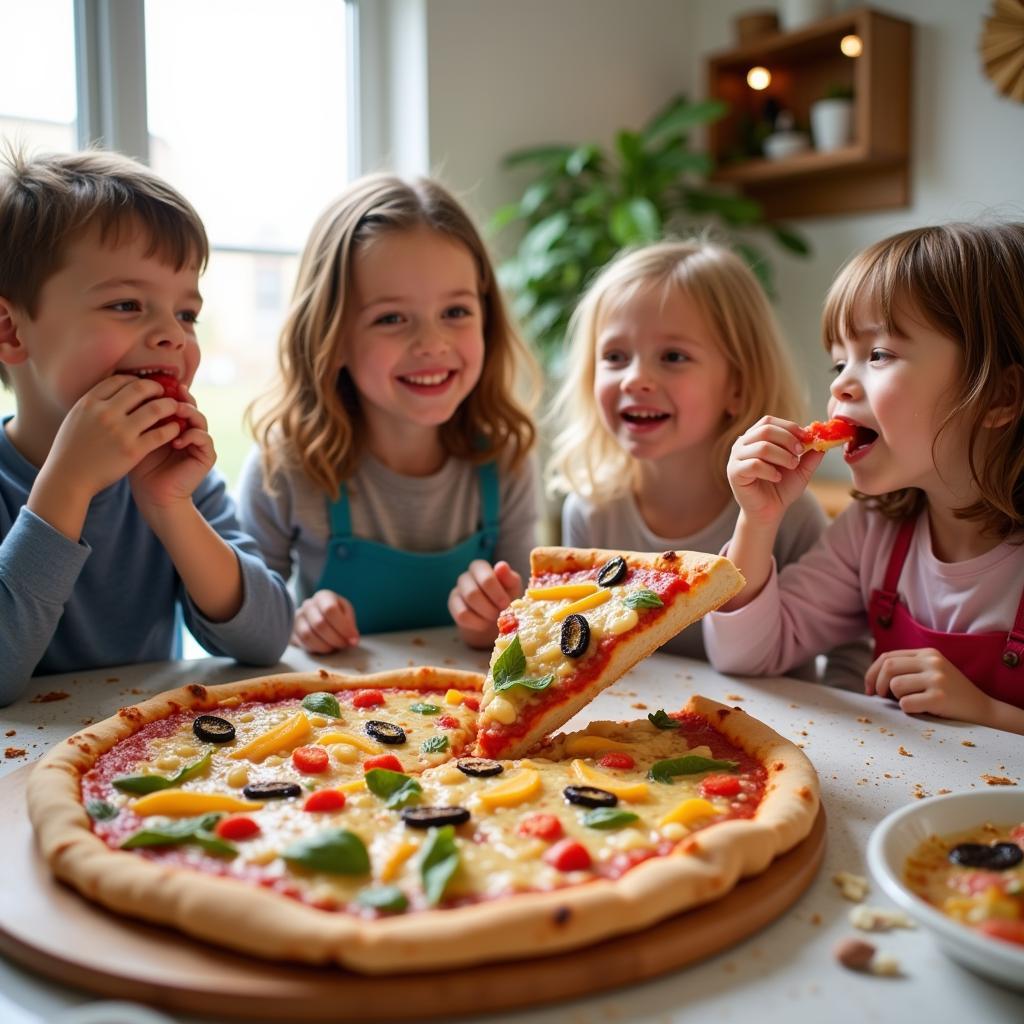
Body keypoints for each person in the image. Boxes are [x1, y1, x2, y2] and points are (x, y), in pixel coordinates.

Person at [705, 222, 1024, 735]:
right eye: (838, 364)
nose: (842, 387)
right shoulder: (873, 530)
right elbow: (747, 656)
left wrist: (991, 715)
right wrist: (757, 521)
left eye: (878, 355)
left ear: (1000, 397)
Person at [0, 149, 294, 704]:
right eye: (127, 304)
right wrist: (66, 486)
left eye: (186, 313)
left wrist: (169, 507)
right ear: (12, 332)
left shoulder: (176, 474)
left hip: (145, 755)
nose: (172, 335)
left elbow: (267, 638)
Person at [239, 174, 539, 653]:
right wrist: (296, 623)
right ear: (331, 339)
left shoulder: (506, 460)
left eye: (456, 312)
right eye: (391, 318)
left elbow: (528, 627)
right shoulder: (286, 466)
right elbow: (248, 632)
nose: (432, 344)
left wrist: (496, 625)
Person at [548, 239, 864, 682]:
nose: (635, 378)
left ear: (737, 386)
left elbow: (848, 660)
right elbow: (580, 658)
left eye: (673, 357)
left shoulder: (789, 516)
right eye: (615, 357)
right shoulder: (590, 513)